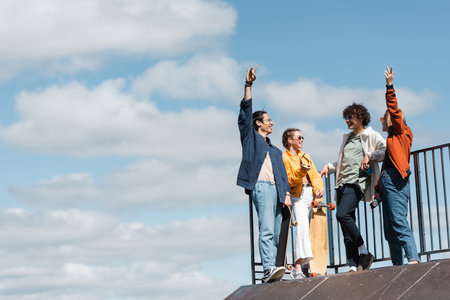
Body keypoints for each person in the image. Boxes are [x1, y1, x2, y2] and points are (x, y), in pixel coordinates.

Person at [236, 65, 291, 283]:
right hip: (261, 186)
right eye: (269, 120)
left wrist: (286, 193)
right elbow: (245, 112)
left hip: (278, 191)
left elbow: (284, 175)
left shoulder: (276, 150)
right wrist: (248, 85)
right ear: (259, 123)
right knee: (267, 229)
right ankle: (268, 268)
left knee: (279, 234)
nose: (272, 123)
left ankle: (278, 269)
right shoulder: (250, 138)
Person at [320, 103, 386, 272]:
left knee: (342, 215)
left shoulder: (370, 135)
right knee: (346, 224)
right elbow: (345, 162)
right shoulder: (347, 137)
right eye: (346, 118)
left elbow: (385, 151)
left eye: (351, 117)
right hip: (342, 182)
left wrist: (369, 155)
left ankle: (363, 250)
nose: (347, 121)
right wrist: (330, 166)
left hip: (357, 181)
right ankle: (353, 264)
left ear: (360, 118)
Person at [372, 67, 419, 266]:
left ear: (390, 118)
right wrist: (377, 190)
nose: (381, 121)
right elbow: (386, 167)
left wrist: (389, 86)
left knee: (398, 222)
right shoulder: (391, 140)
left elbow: (393, 108)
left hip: (396, 180)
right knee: (389, 230)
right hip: (387, 181)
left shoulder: (401, 132)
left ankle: (413, 260)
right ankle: (397, 266)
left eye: (384, 118)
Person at [282, 128, 324, 279]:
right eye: (299, 137)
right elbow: (290, 180)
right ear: (289, 140)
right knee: (301, 228)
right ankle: (297, 267)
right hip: (297, 196)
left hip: (310, 194)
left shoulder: (306, 156)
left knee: (312, 230)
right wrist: (301, 171)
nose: (302, 140)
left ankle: (307, 268)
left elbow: (315, 175)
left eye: (302, 137)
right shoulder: (285, 158)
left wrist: (319, 188)